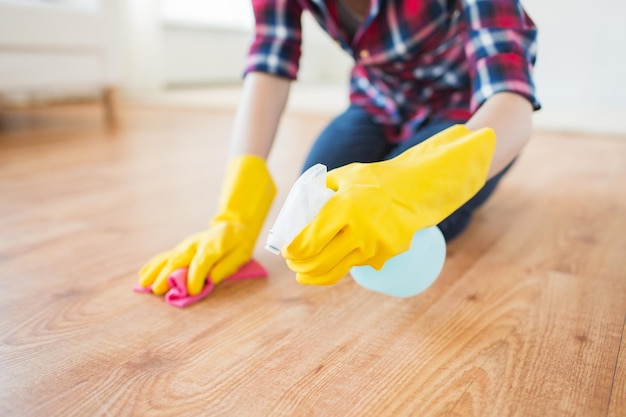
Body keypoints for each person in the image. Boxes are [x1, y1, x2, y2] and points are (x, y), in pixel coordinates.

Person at [138, 0, 539, 295]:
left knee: (416, 228)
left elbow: (513, 105)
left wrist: (409, 188)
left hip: (464, 111)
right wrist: (234, 213)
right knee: (317, 206)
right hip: (377, 102)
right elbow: (269, 61)